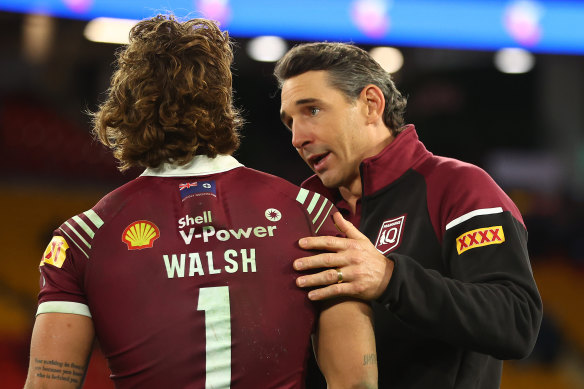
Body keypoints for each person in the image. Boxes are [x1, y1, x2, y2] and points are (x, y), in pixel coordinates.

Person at [24, 17, 378, 389]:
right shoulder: (312, 214)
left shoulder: (82, 238)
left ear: (125, 107)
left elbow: (48, 385)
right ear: (222, 102)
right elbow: (356, 383)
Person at [275, 42, 543, 389]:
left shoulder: (458, 187)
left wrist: (390, 279)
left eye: (312, 110)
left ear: (371, 104)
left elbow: (516, 322)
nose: (297, 138)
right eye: (289, 122)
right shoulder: (302, 214)